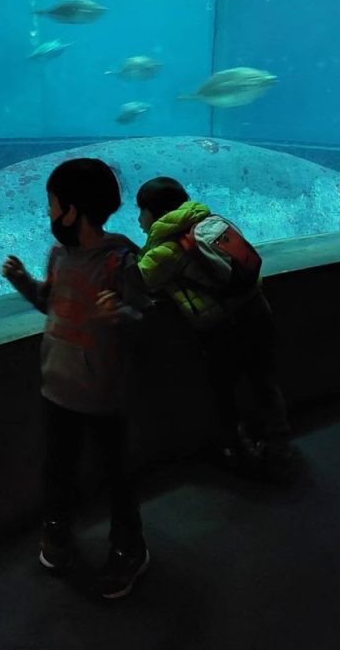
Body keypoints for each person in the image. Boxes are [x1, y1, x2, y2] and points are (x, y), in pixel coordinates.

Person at [1, 157, 151, 599]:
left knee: (115, 476)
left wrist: (118, 314)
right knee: (57, 470)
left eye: (52, 204)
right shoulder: (59, 256)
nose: (48, 214)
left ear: (74, 210)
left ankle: (129, 549)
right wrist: (23, 282)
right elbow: (52, 305)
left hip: (102, 394)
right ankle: (57, 532)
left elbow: (147, 317)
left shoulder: (120, 259)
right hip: (57, 389)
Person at [134, 176, 292, 473]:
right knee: (264, 383)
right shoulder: (213, 222)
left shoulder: (166, 249)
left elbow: (138, 281)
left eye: (141, 210)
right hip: (257, 310)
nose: (139, 218)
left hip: (223, 328)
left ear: (154, 212)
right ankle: (279, 448)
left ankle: (238, 452)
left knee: (225, 390)